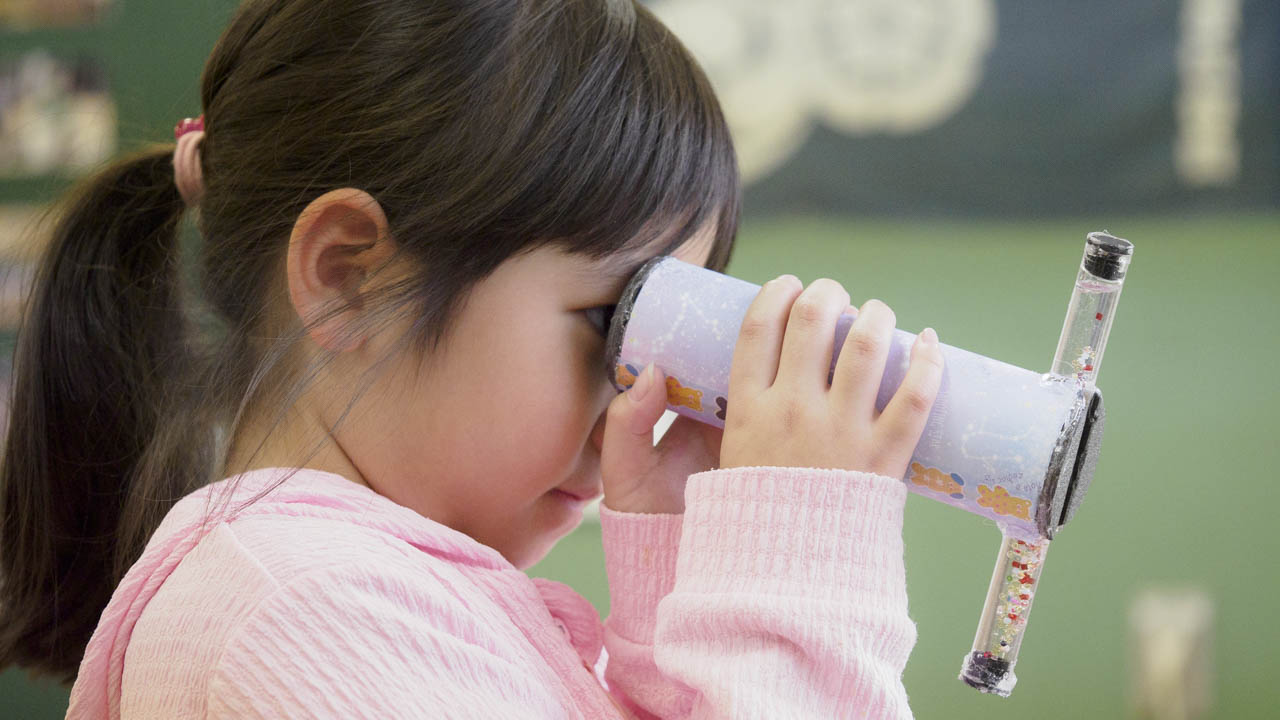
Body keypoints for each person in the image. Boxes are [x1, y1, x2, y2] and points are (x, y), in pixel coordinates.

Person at [0, 0, 944, 717]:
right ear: (347, 278)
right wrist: (800, 563)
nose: (640, 394)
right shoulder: (301, 608)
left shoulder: (340, 592)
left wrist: (678, 591)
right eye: (611, 320)